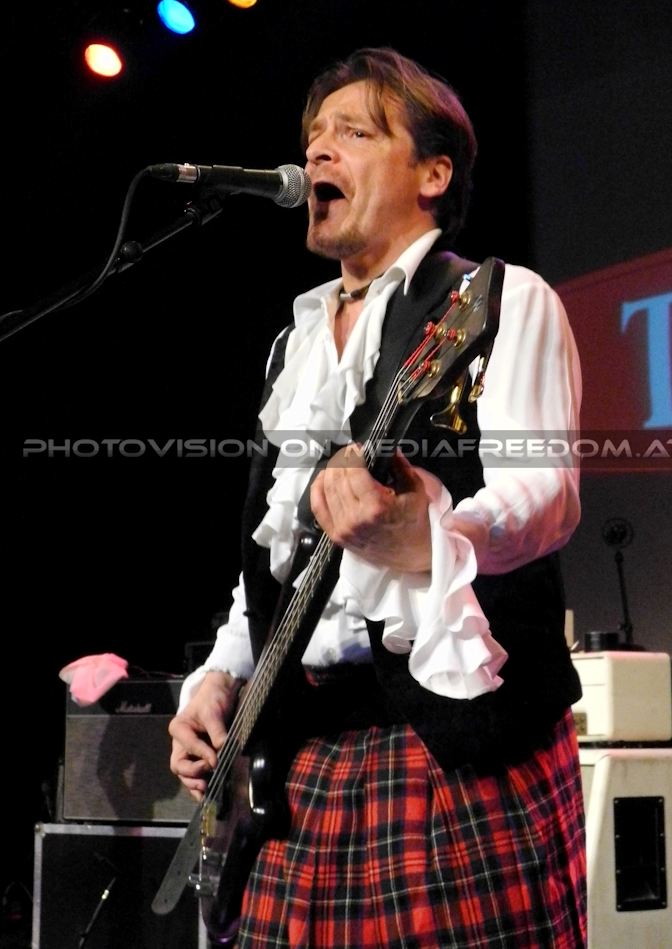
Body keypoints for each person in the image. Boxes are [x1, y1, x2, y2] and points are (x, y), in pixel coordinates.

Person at [169, 47, 587, 948]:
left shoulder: (499, 300)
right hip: (300, 761)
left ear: (433, 174)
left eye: (354, 133)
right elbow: (276, 558)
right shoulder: (293, 346)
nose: (318, 153)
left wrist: (433, 535)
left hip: (455, 752)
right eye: (314, 137)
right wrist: (219, 677)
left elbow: (546, 494)